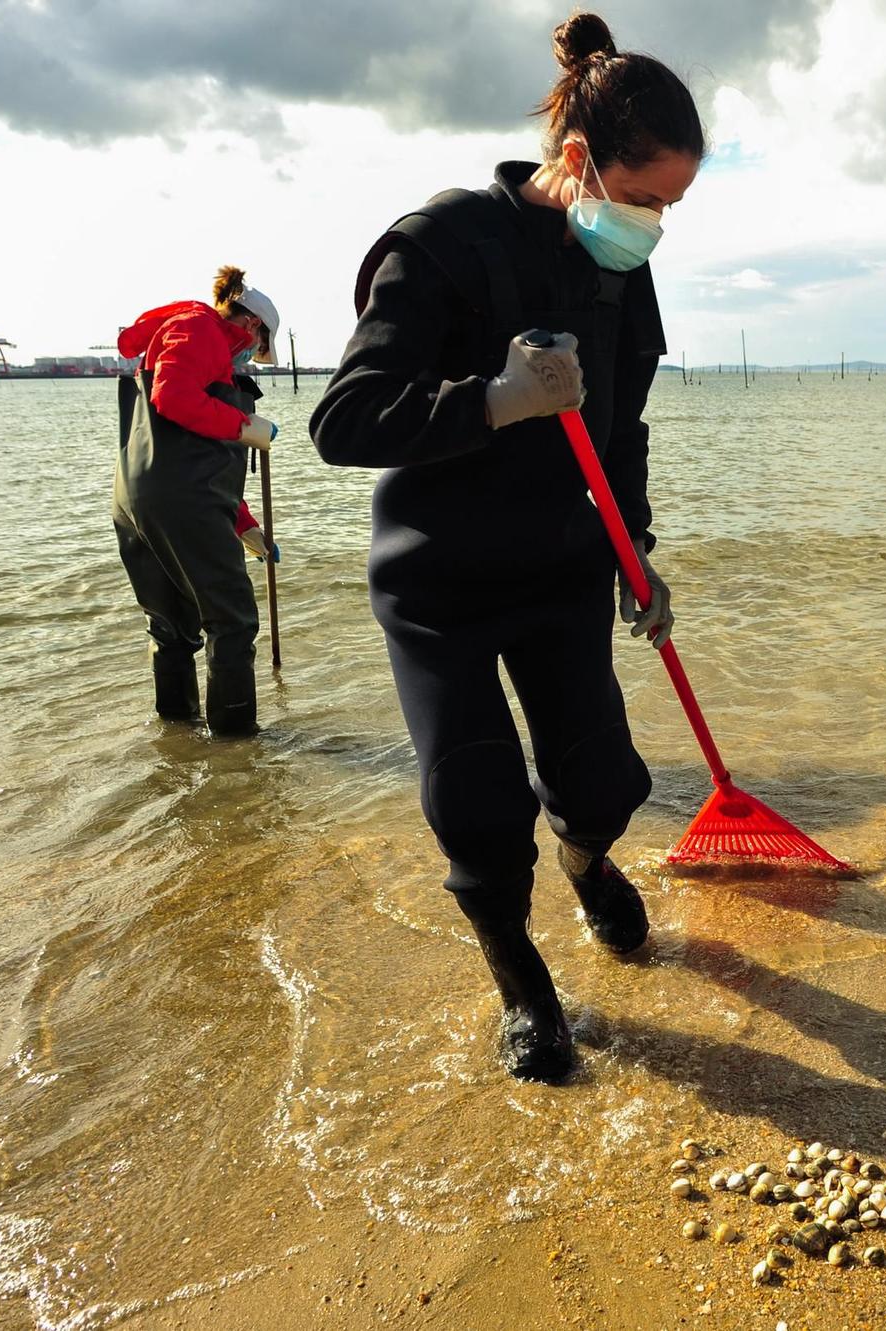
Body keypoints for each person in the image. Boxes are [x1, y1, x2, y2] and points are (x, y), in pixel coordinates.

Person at [309, 12, 700, 1082]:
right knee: (480, 815)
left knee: (608, 782)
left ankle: (584, 863)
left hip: (562, 566)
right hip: (437, 579)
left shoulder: (620, 268)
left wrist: (638, 553)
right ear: (577, 162)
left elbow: (621, 430)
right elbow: (344, 420)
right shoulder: (442, 243)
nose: (655, 224)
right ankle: (523, 985)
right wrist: (493, 401)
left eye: (671, 205)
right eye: (647, 197)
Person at [113, 266, 283, 735]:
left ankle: (178, 735)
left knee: (172, 627)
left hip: (139, 498)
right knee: (232, 622)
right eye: (256, 347)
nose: (249, 360)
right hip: (183, 501)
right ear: (252, 326)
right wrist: (241, 424)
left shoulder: (188, 334)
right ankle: (236, 746)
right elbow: (173, 398)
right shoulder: (201, 328)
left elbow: (194, 458)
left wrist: (245, 525)